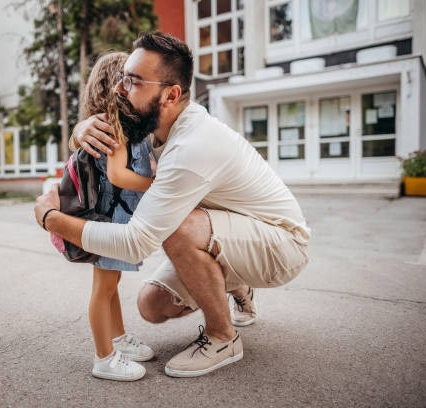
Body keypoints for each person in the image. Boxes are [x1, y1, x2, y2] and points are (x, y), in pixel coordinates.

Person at [35, 32, 310, 378]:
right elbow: (111, 136)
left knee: (176, 228)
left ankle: (223, 337)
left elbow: (136, 241)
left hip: (282, 242)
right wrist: (81, 130)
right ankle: (237, 282)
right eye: (121, 77)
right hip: (228, 226)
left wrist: (51, 219)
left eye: (132, 82)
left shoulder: (192, 144)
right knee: (151, 306)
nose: (120, 89)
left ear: (171, 94)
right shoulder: (155, 122)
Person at [72, 52, 156, 381]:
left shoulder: (122, 123)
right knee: (103, 289)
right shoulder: (115, 124)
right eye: (130, 77)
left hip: (116, 216)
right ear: (117, 85)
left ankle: (118, 339)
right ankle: (103, 357)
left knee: (112, 284)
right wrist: (155, 185)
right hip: (113, 218)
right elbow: (118, 175)